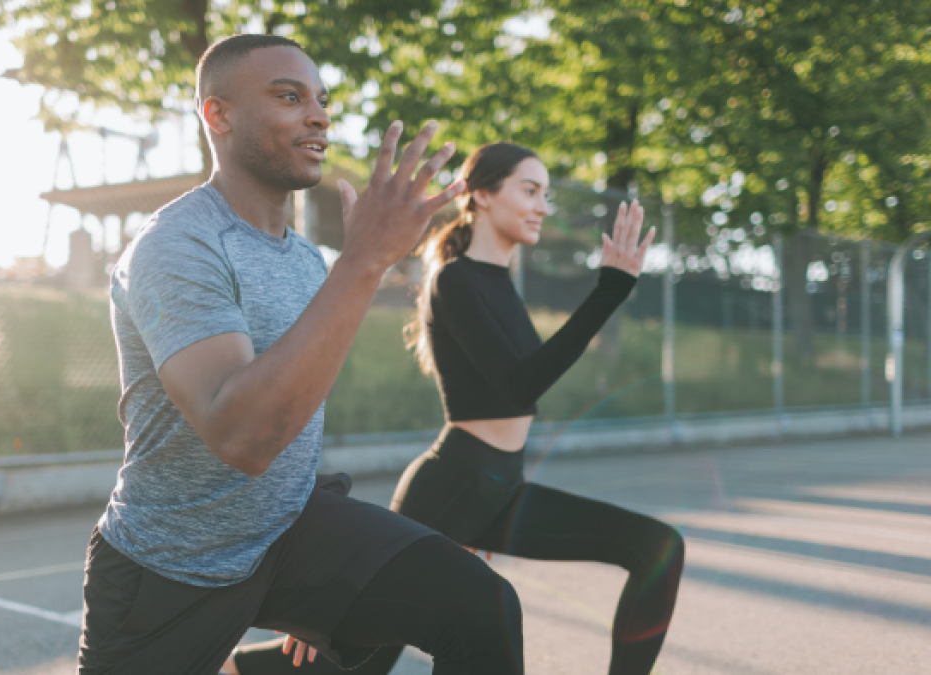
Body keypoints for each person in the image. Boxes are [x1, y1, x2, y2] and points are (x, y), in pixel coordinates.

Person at [78, 35, 528, 675]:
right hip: (173, 563)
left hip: (288, 531)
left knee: (482, 606)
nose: (319, 115)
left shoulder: (304, 260)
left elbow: (295, 411)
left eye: (321, 100)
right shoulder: (176, 247)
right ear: (219, 114)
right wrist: (365, 261)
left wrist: (344, 585)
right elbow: (244, 436)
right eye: (289, 97)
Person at [228, 143, 685, 675]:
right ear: (483, 195)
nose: (542, 206)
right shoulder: (456, 280)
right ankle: (234, 668)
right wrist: (608, 291)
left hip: (499, 488)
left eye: (547, 195)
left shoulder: (498, 282)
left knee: (659, 549)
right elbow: (520, 386)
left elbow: (520, 385)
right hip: (453, 487)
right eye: (530, 190)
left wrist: (611, 290)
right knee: (359, 660)